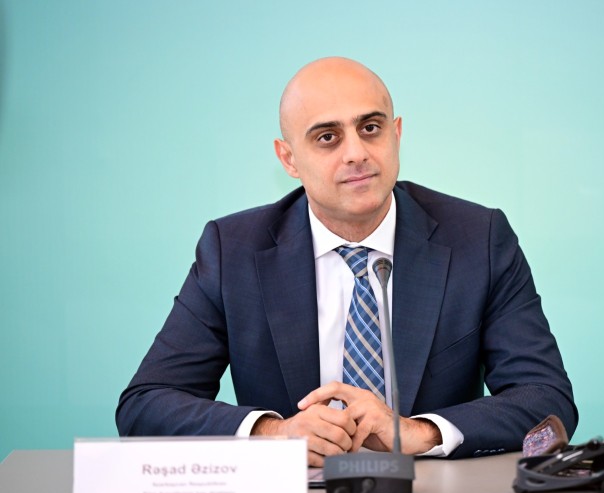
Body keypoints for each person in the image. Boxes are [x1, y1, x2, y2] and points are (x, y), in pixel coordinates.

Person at [116, 57, 578, 466]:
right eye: (327, 137)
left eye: (370, 128)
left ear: (397, 134)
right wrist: (274, 433)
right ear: (288, 159)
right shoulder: (232, 250)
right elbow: (146, 403)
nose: (356, 153)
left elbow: (546, 397)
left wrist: (418, 433)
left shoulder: (478, 239)